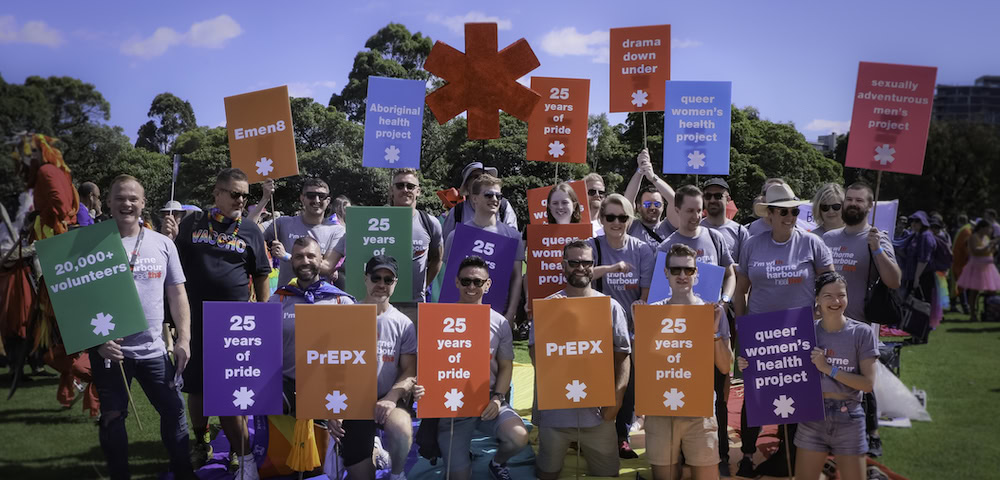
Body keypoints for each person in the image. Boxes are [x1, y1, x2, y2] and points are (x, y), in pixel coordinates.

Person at [169, 168, 271, 477]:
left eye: (245, 195)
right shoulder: (192, 224)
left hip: (235, 325)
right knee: (197, 387)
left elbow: (262, 274)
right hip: (196, 319)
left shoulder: (251, 230)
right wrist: (171, 238)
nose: (241, 199)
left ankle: (239, 451)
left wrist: (262, 315)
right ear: (217, 193)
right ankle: (202, 442)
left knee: (233, 390)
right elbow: (175, 267)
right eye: (235, 193)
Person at [91, 175, 195, 479]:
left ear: (143, 203)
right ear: (108, 202)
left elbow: (178, 294)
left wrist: (184, 338)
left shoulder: (163, 244)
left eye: (133, 198)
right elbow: (74, 301)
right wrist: (95, 342)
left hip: (153, 349)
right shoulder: (90, 245)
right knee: (113, 417)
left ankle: (183, 472)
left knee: (174, 410)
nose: (127, 203)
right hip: (110, 351)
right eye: (120, 198)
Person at [732, 183, 834, 477]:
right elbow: (740, 291)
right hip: (760, 335)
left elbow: (830, 283)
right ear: (771, 214)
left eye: (793, 211)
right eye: (784, 212)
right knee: (756, 398)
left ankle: (787, 457)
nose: (790, 216)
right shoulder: (753, 244)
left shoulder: (811, 243)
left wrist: (819, 316)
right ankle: (748, 456)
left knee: (796, 399)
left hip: (799, 335)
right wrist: (742, 325)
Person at [739, 272, 878, 480]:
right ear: (817, 299)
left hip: (848, 416)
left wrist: (828, 368)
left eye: (841, 295)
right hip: (812, 417)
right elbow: (779, 367)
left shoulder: (862, 333)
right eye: (828, 296)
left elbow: (868, 384)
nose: (836, 301)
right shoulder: (803, 332)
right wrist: (751, 365)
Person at [529, 240, 631, 479]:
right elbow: (537, 359)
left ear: (593, 266)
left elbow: (623, 357)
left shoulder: (611, 307)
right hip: (555, 414)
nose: (580, 267)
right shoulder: (548, 308)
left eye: (586, 262)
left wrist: (615, 401)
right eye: (574, 262)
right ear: (563, 266)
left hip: (598, 416)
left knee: (608, 475)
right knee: (547, 473)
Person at [658, 185, 737, 476]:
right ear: (676, 210)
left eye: (698, 209)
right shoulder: (665, 246)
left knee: (719, 393)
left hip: (715, 330)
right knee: (681, 395)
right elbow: (658, 298)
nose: (695, 216)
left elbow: (730, 273)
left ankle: (721, 457)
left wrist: (725, 301)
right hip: (679, 339)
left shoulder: (715, 238)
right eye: (689, 210)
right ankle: (679, 458)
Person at [820, 182, 900, 457]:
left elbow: (894, 281)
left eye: (859, 200)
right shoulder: (828, 239)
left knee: (865, 384)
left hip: (861, 327)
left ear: (869, 206)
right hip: (830, 327)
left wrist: (877, 249)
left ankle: (871, 434)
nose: (853, 204)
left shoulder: (877, 237)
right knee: (832, 381)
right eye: (849, 199)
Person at [433, 255, 528, 480]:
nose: (471, 286)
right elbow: (429, 366)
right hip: (452, 406)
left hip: (488, 401)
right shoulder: (438, 318)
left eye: (478, 282)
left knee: (518, 436)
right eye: (466, 281)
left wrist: (497, 398)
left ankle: (497, 463)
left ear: (488, 284)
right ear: (456, 282)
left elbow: (506, 366)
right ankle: (460, 451)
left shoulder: (499, 322)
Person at [647, 243, 732, 480]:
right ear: (666, 273)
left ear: (697, 273)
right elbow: (642, 367)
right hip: (661, 411)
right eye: (675, 270)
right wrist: (640, 328)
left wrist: (713, 332)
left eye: (688, 270)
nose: (682, 275)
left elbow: (725, 367)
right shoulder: (651, 313)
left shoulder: (713, 311)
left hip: (700, 412)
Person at [329, 255, 419, 480]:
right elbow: (330, 365)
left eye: (388, 280)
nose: (381, 284)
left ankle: (397, 474)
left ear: (395, 283)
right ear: (365, 279)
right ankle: (373, 450)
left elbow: (409, 370)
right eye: (376, 277)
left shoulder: (403, 324)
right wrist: (333, 408)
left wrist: (391, 396)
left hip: (386, 396)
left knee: (402, 429)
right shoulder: (345, 317)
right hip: (353, 402)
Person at [587, 193, 653, 458]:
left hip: (630, 328)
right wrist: (612, 268)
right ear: (601, 219)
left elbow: (645, 294)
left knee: (627, 384)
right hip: (596, 327)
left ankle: (621, 435)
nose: (616, 222)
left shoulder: (642, 249)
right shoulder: (592, 246)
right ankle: (589, 434)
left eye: (622, 217)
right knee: (596, 383)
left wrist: (638, 324)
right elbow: (579, 274)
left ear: (629, 219)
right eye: (610, 217)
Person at [330, 169, 443, 322]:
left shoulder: (430, 223)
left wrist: (422, 287)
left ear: (418, 191)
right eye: (400, 185)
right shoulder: (372, 219)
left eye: (410, 186)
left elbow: (437, 259)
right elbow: (348, 250)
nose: (405, 190)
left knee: (412, 347)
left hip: (413, 306)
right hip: (375, 303)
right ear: (391, 190)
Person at [270, 236, 355, 411]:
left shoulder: (341, 302)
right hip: (286, 391)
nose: (305, 261)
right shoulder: (277, 301)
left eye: (311, 256)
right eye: (299, 257)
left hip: (331, 391)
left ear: (321, 259)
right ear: (291, 260)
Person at [443, 174, 524, 323]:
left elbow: (517, 278)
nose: (494, 199)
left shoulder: (513, 236)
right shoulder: (455, 236)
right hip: (460, 316)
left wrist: (511, 313)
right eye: (488, 195)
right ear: (474, 198)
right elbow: (449, 279)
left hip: (498, 315)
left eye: (498, 196)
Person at [258, 178, 346, 288]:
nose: (317, 200)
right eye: (311, 195)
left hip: (320, 299)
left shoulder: (337, 231)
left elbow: (327, 267)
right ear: (302, 198)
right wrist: (265, 198)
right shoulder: (283, 223)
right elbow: (249, 230)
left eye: (321, 196)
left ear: (328, 201)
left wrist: (286, 256)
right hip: (287, 297)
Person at [441, 162, 517, 240]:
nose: (481, 179)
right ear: (467, 184)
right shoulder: (457, 212)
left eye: (486, 176)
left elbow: (512, 239)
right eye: (476, 176)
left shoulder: (504, 207)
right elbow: (447, 242)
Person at [623, 149, 681, 246]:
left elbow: (675, 201)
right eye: (647, 204)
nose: (653, 208)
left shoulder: (669, 226)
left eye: (657, 204)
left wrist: (653, 177)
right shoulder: (631, 227)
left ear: (663, 207)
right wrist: (640, 171)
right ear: (639, 206)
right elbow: (626, 202)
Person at [897, 211, 937, 342]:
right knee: (914, 306)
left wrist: (917, 278)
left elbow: (924, 259)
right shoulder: (917, 235)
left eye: (916, 221)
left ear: (923, 223)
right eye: (912, 221)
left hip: (923, 276)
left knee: (921, 307)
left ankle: (920, 336)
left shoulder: (926, 236)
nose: (913, 224)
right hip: (914, 275)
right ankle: (915, 335)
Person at [957, 220, 1000, 322]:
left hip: (987, 268)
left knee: (991, 291)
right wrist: (989, 245)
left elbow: (988, 252)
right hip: (976, 267)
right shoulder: (973, 237)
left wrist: (993, 247)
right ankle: (973, 314)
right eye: (988, 228)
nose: (990, 231)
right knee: (974, 291)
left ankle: (991, 312)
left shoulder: (986, 238)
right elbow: (976, 251)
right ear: (982, 228)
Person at [701, 178, 750, 267]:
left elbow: (745, 268)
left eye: (718, 196)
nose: (712, 200)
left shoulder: (739, 232)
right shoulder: (695, 228)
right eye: (708, 196)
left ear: (728, 199)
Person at [951, 214, 973, 313]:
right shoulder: (967, 231)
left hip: (959, 262)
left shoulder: (962, 232)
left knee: (959, 285)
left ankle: (963, 306)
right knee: (962, 285)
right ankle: (965, 306)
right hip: (963, 262)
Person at [584, 172, 608, 236]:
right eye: (592, 192)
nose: (597, 195)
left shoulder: (609, 223)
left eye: (601, 192)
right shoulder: (574, 222)